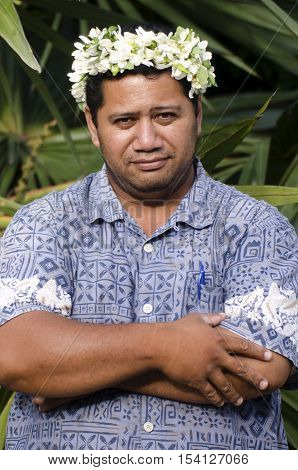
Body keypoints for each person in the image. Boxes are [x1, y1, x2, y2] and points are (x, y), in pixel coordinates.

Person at [0, 24, 297, 451]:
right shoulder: (46, 222)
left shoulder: (257, 226)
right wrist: (168, 346)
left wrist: (74, 376)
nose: (147, 140)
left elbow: (260, 370)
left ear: (196, 114)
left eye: (165, 116)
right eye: (124, 120)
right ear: (92, 124)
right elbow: (16, 357)